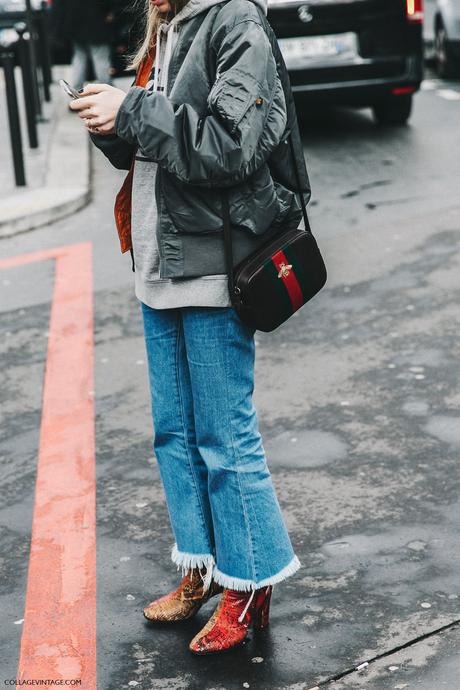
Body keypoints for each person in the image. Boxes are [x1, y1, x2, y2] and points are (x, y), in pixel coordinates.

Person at [69, 0, 311, 655]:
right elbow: (151, 146)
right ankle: (202, 567)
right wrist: (108, 119)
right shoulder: (169, 28)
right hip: (158, 263)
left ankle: (250, 582)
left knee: (223, 439)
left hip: (214, 267)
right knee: (173, 433)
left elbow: (230, 146)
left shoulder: (235, 22)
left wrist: (134, 110)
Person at [52, 0, 115, 89]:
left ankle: (76, 90)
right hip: (96, 23)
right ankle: (107, 89)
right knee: (100, 59)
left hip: (76, 25)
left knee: (79, 58)